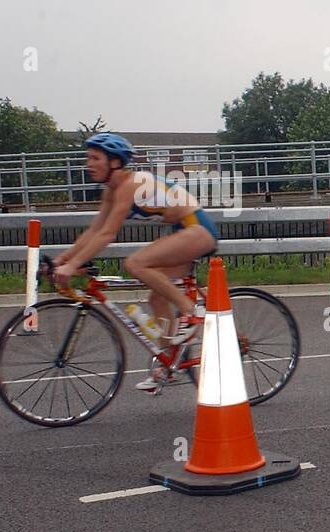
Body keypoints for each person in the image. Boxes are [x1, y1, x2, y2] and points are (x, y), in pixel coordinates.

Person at [52, 133, 220, 392]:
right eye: (87, 158)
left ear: (115, 162)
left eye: (95, 158)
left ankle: (191, 311)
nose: (88, 163)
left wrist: (73, 266)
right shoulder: (112, 191)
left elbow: (108, 234)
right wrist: (64, 259)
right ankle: (167, 364)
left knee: (135, 264)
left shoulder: (130, 185)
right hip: (181, 230)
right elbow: (94, 231)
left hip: (197, 229)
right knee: (157, 299)